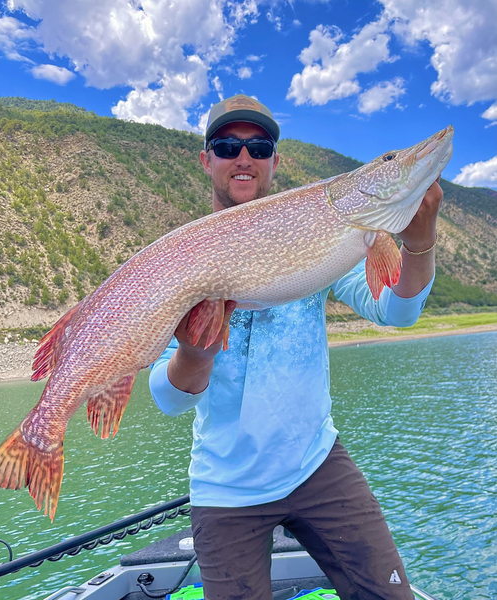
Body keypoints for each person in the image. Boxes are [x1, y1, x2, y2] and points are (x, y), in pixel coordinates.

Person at [149, 94, 443, 599]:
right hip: (226, 490)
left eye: (259, 146)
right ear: (206, 159)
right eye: (227, 145)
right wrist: (195, 353)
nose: (244, 157)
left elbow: (399, 310)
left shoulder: (333, 236)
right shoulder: (182, 253)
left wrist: (420, 241)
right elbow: (168, 398)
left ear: (275, 161)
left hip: (317, 463)